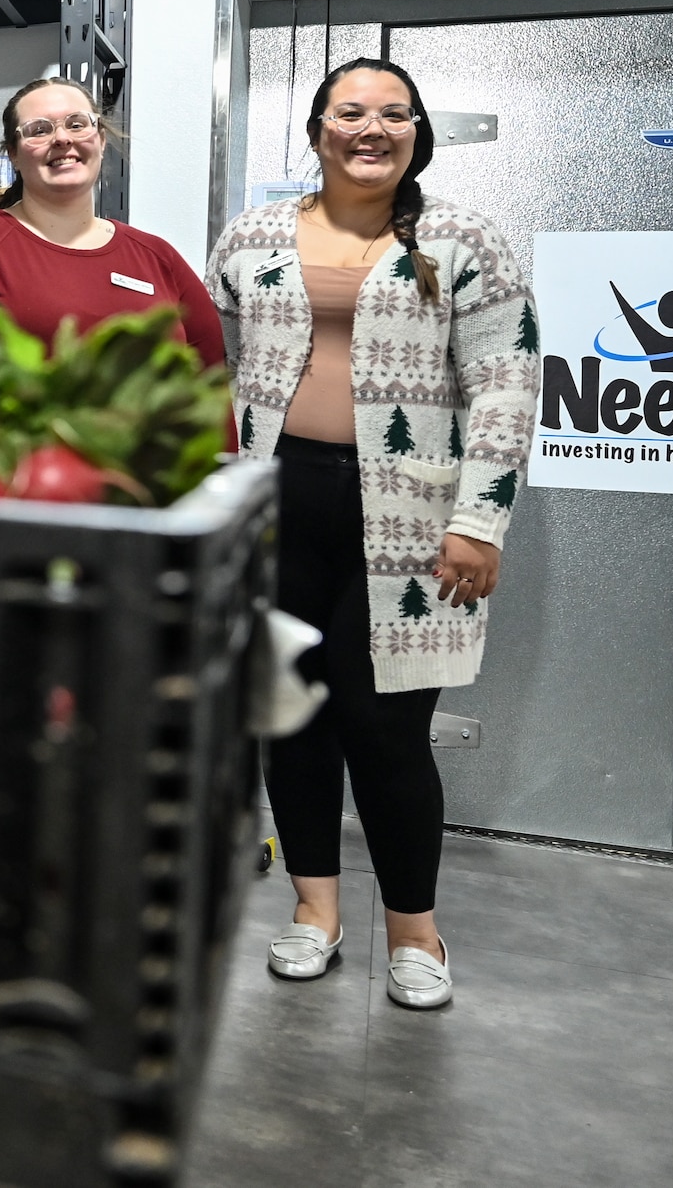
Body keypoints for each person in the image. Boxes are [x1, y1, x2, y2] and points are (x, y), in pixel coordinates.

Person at [205, 57, 541, 1009]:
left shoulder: (467, 240)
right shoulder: (256, 233)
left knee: (389, 728)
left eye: (394, 113)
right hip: (276, 506)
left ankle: (415, 933)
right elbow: (211, 364)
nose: (371, 127)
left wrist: (480, 522)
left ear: (416, 133)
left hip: (411, 516)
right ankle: (315, 912)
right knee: (293, 712)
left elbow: (508, 386)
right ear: (316, 128)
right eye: (350, 110)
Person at [0, 76, 226, 370]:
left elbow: (209, 387)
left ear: (100, 139)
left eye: (76, 124)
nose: (61, 139)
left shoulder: (157, 256)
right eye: (38, 130)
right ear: (13, 153)